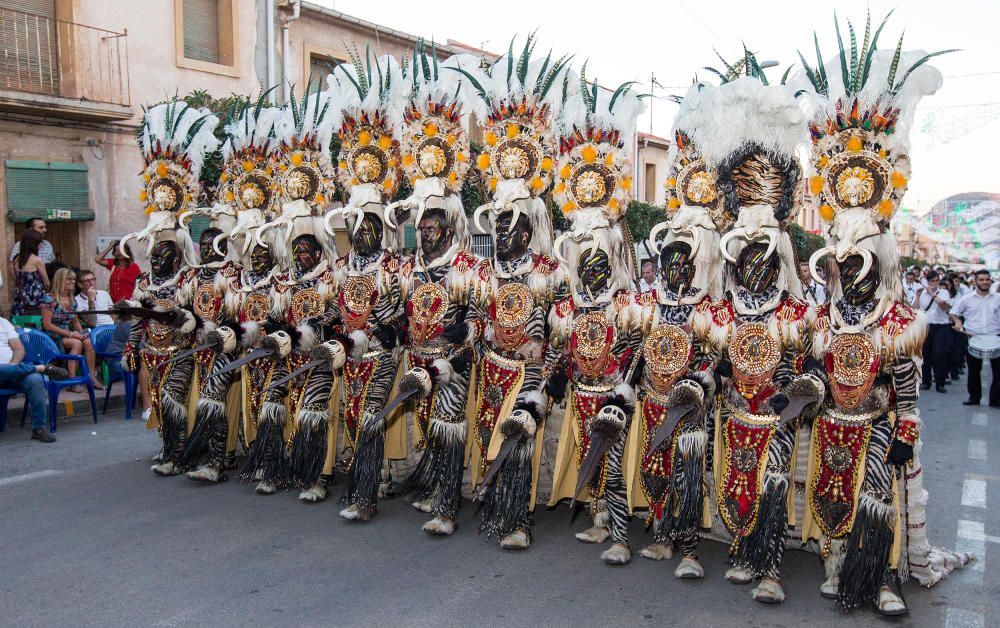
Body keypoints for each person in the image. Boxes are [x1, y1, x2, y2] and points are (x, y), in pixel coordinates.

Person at [0, 315, 68, 442]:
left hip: (13, 371)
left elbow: (19, 349)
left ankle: (38, 429)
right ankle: (41, 368)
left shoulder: (3, 323)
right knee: (35, 372)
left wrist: (13, 366)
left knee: (35, 380)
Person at [39, 267, 103, 392]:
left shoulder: (72, 301)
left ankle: (91, 377)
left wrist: (81, 333)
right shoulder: (49, 299)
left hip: (67, 334)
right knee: (76, 342)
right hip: (51, 336)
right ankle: (73, 381)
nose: (72, 282)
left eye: (73, 280)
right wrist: (71, 334)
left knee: (88, 342)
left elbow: (75, 322)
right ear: (60, 281)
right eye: (69, 279)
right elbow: (47, 325)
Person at [950, 269, 1000, 407]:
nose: (985, 282)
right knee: (974, 371)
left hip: (995, 337)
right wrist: (958, 322)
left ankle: (995, 400)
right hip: (973, 337)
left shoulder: (997, 298)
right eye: (981, 280)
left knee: (998, 372)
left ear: (990, 281)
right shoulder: (967, 298)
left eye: (987, 279)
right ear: (976, 281)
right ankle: (974, 397)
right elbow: (953, 313)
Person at [914, 270, 952, 392]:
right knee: (925, 354)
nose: (934, 283)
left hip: (941, 326)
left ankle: (940, 382)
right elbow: (915, 309)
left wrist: (933, 294)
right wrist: (918, 295)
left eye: (936, 280)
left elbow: (944, 306)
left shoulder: (944, 292)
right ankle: (926, 381)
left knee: (939, 354)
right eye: (931, 281)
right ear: (927, 281)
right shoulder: (922, 293)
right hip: (926, 326)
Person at [11, 230, 50, 317]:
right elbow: (46, 283)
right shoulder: (37, 260)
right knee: (38, 321)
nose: (41, 245)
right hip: (35, 296)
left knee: (20, 321)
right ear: (34, 244)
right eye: (40, 243)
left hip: (20, 296)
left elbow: (16, 278)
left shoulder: (16, 259)